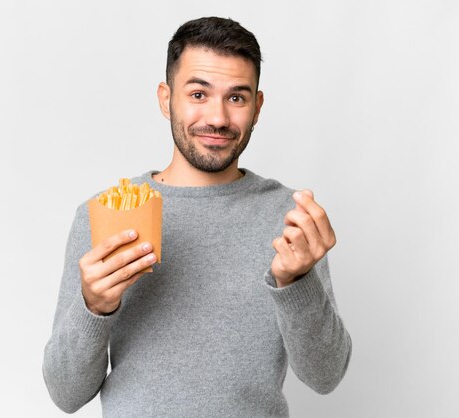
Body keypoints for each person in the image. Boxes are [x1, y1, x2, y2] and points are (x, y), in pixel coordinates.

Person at [43, 16, 351, 417]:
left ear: (257, 108)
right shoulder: (102, 215)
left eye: (237, 98)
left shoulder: (289, 219)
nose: (219, 118)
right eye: (199, 94)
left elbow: (325, 376)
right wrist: (94, 306)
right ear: (165, 98)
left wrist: (296, 282)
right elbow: (65, 395)